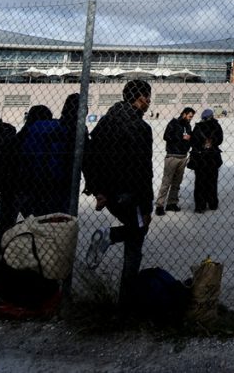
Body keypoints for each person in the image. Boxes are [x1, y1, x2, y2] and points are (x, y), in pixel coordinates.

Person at [84, 80, 154, 304]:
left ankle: (112, 237)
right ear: (140, 98)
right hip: (130, 194)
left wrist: (98, 190)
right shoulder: (140, 128)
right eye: (148, 97)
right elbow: (143, 170)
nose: (149, 101)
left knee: (136, 230)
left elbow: (91, 156)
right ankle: (127, 299)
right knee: (138, 235)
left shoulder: (105, 122)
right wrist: (147, 206)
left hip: (109, 192)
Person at [0, 106, 49, 296]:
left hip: (11, 189)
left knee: (3, 232)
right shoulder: (43, 140)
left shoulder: (16, 139)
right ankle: (42, 276)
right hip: (32, 190)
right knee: (39, 230)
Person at [155, 107, 195, 216]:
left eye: (192, 117)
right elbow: (166, 136)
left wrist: (189, 139)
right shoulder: (173, 123)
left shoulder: (188, 125)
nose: (190, 118)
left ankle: (171, 203)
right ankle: (159, 205)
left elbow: (190, 139)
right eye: (190, 116)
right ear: (184, 114)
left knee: (177, 182)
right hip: (172, 156)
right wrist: (182, 137)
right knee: (166, 182)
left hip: (183, 156)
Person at [190, 108, 224, 213]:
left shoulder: (198, 127)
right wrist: (212, 142)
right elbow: (220, 139)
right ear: (212, 116)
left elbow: (193, 141)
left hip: (200, 158)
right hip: (213, 157)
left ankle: (200, 205)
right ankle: (213, 203)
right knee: (212, 182)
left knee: (200, 183)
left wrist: (201, 144)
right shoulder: (216, 126)